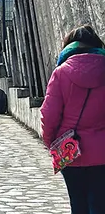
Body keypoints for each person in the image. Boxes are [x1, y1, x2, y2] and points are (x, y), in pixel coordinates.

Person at [40, 25, 105, 213]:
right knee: (99, 204)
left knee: (77, 203)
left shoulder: (61, 73)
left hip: (70, 149)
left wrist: (51, 142)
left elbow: (49, 114)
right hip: (102, 150)